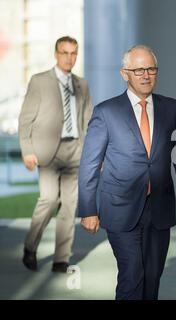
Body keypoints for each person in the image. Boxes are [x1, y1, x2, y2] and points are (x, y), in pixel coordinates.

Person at [77, 45, 176, 300]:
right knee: (132, 276)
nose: (146, 75)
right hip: (120, 208)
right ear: (124, 74)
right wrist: (88, 209)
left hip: (160, 209)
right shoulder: (106, 112)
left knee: (152, 280)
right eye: (139, 69)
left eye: (151, 69)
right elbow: (89, 163)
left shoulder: (172, 109)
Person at [18, 36, 93, 273]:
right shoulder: (39, 81)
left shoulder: (82, 84)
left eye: (73, 53)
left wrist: (91, 153)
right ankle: (30, 247)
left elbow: (88, 121)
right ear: (56, 54)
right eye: (64, 52)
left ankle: (61, 258)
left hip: (75, 151)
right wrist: (28, 151)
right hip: (48, 151)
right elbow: (25, 120)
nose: (69, 57)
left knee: (70, 206)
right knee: (49, 199)